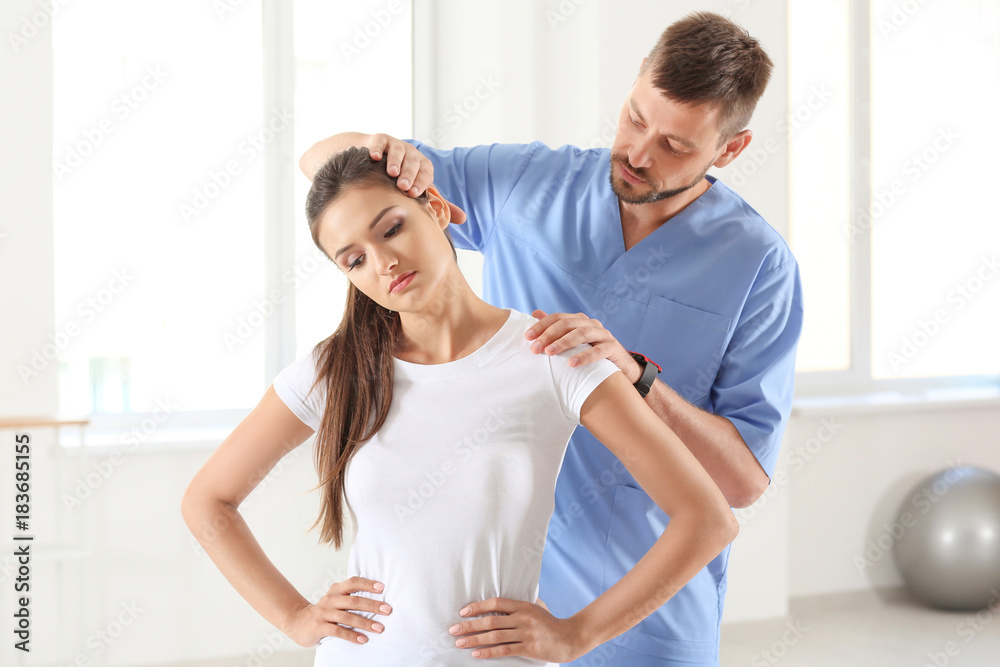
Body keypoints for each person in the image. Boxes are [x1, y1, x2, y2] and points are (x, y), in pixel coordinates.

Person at [297, 11, 804, 667]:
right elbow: (326, 166)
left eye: (675, 145)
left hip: (646, 613)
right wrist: (384, 149)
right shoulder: (527, 185)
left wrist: (638, 379)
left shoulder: (758, 264)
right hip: (498, 611)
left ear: (729, 150)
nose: (639, 153)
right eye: (635, 118)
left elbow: (741, 483)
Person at [180, 146, 738, 666]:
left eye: (392, 228)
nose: (384, 262)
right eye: (355, 260)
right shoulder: (336, 368)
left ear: (438, 209)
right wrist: (296, 617)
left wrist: (578, 634)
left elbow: (707, 519)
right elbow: (207, 502)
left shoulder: (551, 355)